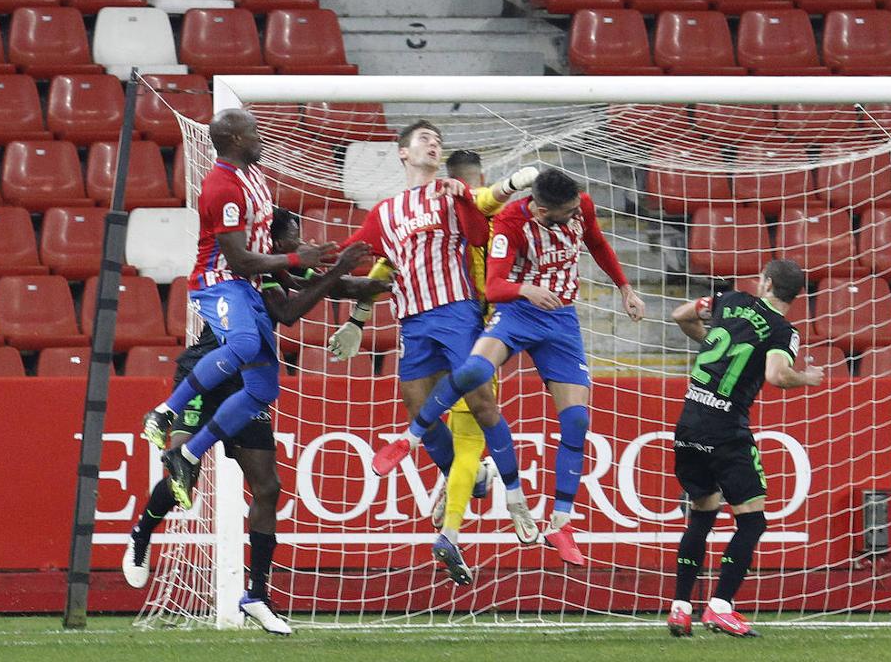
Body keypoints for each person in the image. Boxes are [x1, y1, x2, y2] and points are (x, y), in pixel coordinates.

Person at [124, 209, 387, 634]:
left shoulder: (277, 271)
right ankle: (143, 532)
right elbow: (289, 312)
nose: (299, 246)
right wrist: (339, 271)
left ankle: (258, 594)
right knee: (183, 477)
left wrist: (388, 283)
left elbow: (332, 285)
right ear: (274, 242)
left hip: (246, 381)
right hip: (207, 372)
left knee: (267, 486)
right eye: (293, 240)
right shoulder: (253, 275)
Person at [372, 168, 645, 567]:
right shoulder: (510, 222)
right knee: (474, 371)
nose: (574, 217)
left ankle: (560, 523)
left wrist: (625, 288)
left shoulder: (580, 206)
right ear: (540, 209)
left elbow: (598, 243)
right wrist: (527, 289)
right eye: (565, 213)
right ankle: (409, 440)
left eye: (575, 210)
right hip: (518, 313)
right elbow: (495, 286)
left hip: (561, 320)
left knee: (576, 421)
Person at [329, 148, 539, 584]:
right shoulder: (460, 215)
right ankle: (466, 503)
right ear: (477, 177)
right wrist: (355, 320)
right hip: (453, 327)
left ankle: (455, 528)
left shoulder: (471, 214)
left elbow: (384, 266)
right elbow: (388, 263)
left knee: (455, 428)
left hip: (470, 327)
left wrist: (356, 319)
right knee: (445, 429)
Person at [142, 109, 335, 509]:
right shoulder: (221, 187)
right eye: (254, 132)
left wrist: (311, 265)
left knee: (262, 390)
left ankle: (189, 453)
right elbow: (240, 260)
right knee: (245, 343)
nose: (260, 137)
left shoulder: (255, 176)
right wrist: (298, 263)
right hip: (219, 283)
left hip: (246, 286)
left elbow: (265, 249)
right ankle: (164, 412)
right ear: (234, 140)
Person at [666, 260, 822, 638]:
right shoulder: (784, 330)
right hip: (725, 429)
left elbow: (681, 314)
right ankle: (720, 606)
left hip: (688, 420)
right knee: (752, 519)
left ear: (766, 283)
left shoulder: (729, 300)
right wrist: (806, 378)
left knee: (702, 513)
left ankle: (680, 607)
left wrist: (711, 340)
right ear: (797, 296)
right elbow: (776, 375)